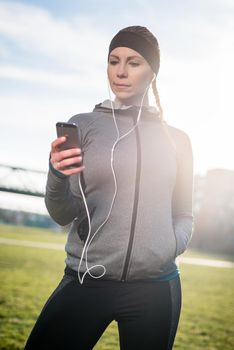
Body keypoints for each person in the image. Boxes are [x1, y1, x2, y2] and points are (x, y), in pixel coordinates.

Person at [24, 25, 194, 350]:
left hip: (156, 288)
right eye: (113, 60)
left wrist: (170, 245)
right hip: (88, 279)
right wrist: (56, 174)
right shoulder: (84, 125)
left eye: (133, 62)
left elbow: (184, 212)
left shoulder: (178, 141)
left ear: (152, 71)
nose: (120, 72)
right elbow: (63, 213)